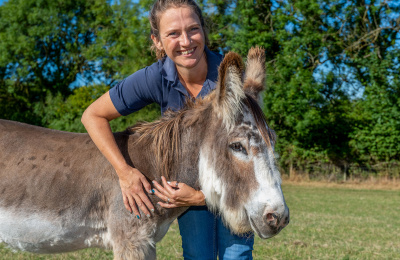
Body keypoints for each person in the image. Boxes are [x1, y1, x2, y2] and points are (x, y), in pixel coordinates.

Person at [81, 0, 254, 259]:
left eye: (193, 29)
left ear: (204, 31)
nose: (186, 41)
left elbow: (251, 152)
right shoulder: (155, 77)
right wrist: (124, 172)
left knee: (236, 255)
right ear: (158, 41)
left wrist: (198, 197)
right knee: (198, 256)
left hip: (233, 187)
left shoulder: (230, 78)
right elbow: (92, 115)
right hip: (187, 191)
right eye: (173, 33)